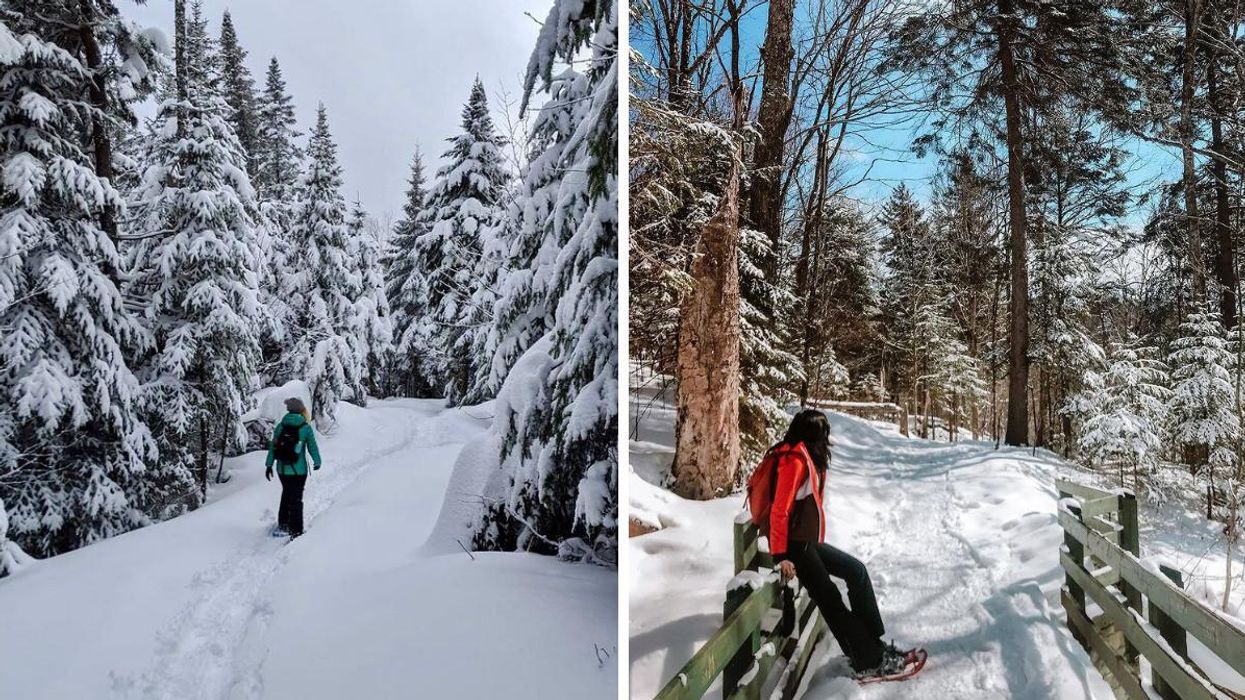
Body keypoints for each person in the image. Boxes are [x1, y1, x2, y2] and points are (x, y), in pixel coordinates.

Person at [768, 409, 908, 678]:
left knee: (857, 571)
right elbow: (779, 510)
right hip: (794, 547)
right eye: (824, 432)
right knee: (831, 600)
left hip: (806, 542)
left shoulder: (808, 457)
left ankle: (872, 645)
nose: (827, 437)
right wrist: (781, 555)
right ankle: (869, 660)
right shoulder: (794, 461)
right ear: (813, 434)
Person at [264, 397, 322, 538]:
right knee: (296, 498)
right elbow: (312, 446)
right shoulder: (305, 428)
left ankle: (283, 524)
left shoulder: (280, 426)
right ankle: (296, 530)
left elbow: (273, 447)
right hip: (299, 470)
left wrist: (269, 465)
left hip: (282, 470)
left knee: (286, 493)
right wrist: (317, 461)